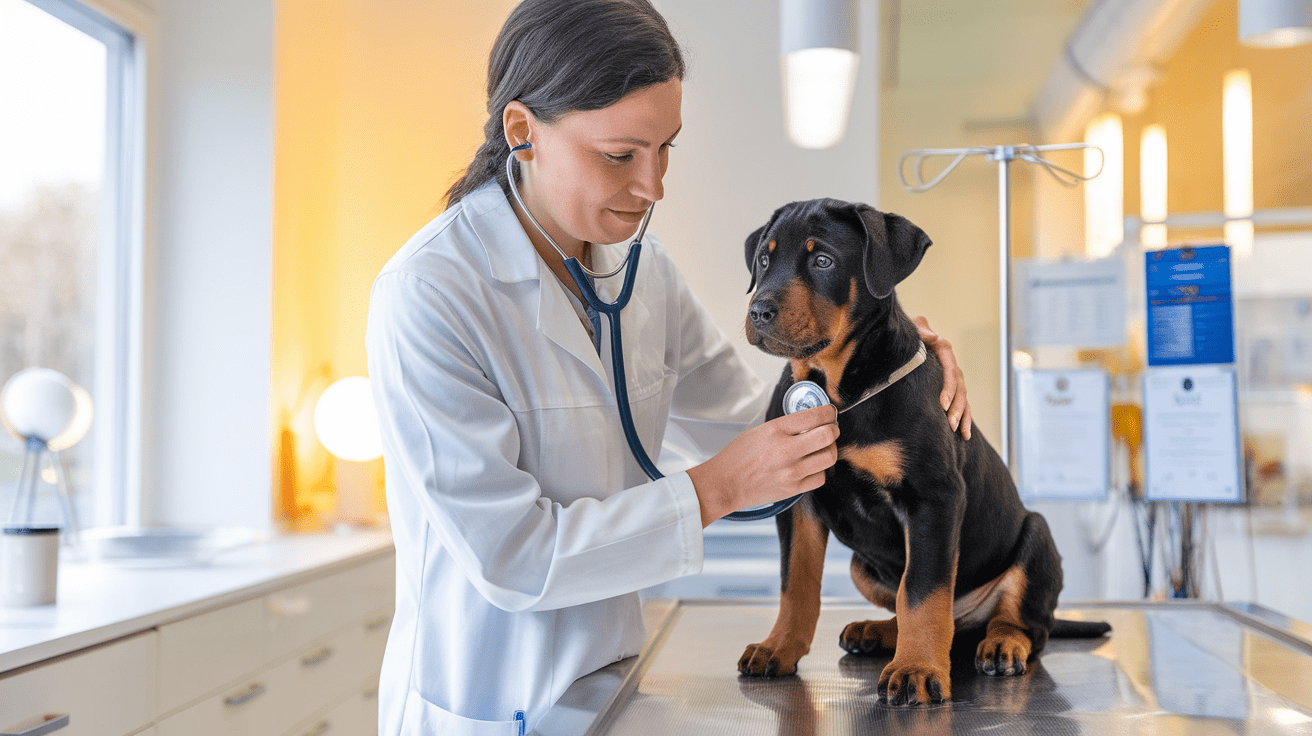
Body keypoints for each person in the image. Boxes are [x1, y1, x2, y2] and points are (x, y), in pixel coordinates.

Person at [365, 1, 972, 733]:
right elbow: (513, 558)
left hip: (612, 682)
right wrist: (713, 489)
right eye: (621, 155)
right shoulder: (431, 293)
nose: (653, 187)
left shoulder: (642, 277)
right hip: (488, 701)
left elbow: (766, 422)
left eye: (666, 150)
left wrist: (892, 367)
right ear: (523, 132)